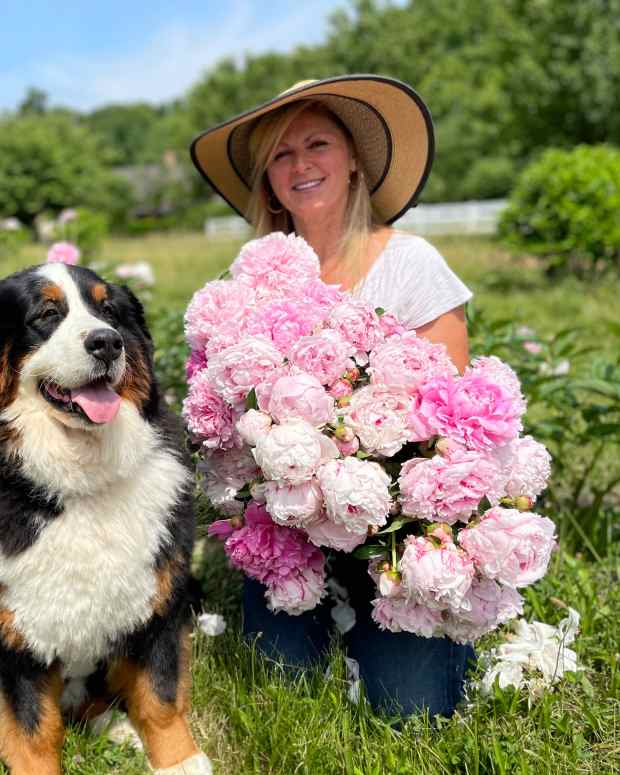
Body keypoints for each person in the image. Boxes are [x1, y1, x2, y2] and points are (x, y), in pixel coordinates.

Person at [190, 75, 475, 718]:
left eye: (317, 144)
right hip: (291, 526)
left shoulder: (411, 263)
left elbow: (454, 423)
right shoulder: (251, 281)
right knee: (284, 683)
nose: (301, 165)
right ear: (268, 181)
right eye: (281, 156)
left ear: (353, 162)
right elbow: (230, 427)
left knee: (410, 712)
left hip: (395, 529)